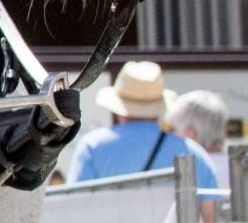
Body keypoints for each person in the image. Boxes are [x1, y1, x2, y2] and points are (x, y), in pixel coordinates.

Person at [67, 60, 221, 186]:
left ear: (118, 109)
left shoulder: (92, 147)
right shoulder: (192, 152)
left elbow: (74, 205)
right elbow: (209, 211)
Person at [171, 88, 230, 156]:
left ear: (189, 134)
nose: (170, 136)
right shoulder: (237, 159)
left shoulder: (183, 161)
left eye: (172, 130)